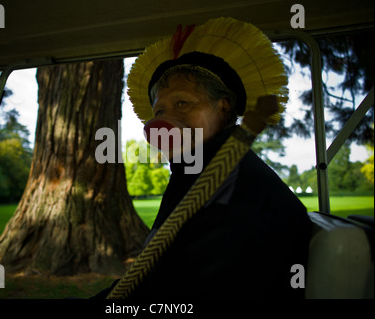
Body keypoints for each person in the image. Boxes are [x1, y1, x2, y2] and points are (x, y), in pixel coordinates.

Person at [94, 17, 312, 299]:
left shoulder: (232, 185)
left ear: (223, 107)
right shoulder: (194, 173)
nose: (165, 120)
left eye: (182, 103)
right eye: (158, 111)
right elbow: (153, 281)